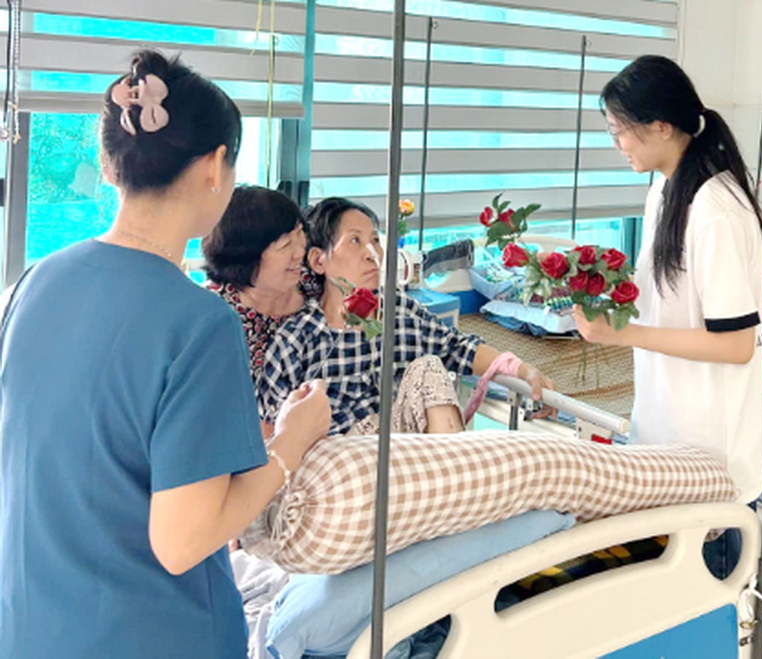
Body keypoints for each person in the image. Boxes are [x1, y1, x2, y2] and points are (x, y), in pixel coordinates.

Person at [0, 50, 331, 658]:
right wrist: (293, 440)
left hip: (29, 626)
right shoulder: (200, 323)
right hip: (152, 635)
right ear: (215, 167)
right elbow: (183, 542)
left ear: (111, 164)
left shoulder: (29, 284)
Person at [573, 55, 762, 578]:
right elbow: (667, 293)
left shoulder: (716, 211)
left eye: (621, 132)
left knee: (715, 622)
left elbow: (736, 345)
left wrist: (627, 334)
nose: (618, 144)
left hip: (712, 460)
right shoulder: (665, 184)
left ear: (661, 127)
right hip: (665, 440)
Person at [257, 196, 558, 437]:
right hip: (340, 470)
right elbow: (272, 433)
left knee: (428, 368)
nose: (372, 253)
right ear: (318, 260)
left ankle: (452, 485)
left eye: (375, 240)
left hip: (406, 466)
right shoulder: (298, 340)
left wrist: (524, 370)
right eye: (354, 241)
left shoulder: (400, 313)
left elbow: (459, 347)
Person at [203, 185, 319, 381]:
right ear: (248, 257)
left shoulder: (315, 282)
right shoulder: (213, 318)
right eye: (285, 245)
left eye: (300, 233)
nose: (300, 251)